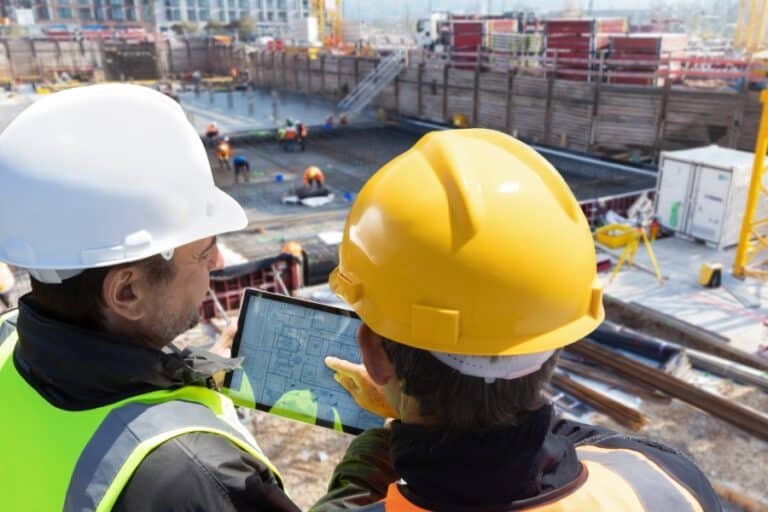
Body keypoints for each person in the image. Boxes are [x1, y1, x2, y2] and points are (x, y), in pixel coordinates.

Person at [315, 129, 720, 512]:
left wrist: (389, 435)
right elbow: (576, 440)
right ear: (554, 340)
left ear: (375, 356)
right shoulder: (667, 482)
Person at [0, 84, 300, 511]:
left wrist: (189, 372)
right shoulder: (198, 478)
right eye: (202, 251)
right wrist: (382, 452)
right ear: (127, 292)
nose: (217, 261)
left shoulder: (6, 341)